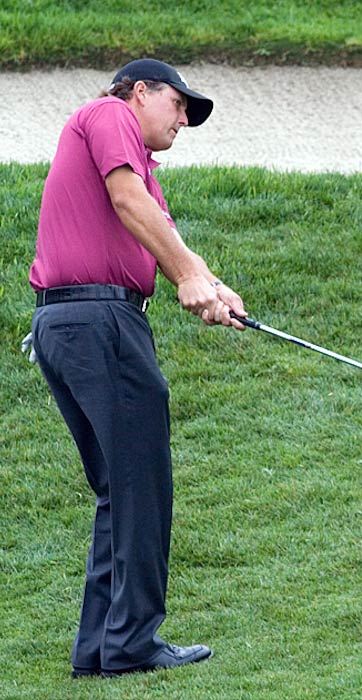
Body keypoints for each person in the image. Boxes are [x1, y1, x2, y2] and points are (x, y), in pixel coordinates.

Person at [29, 58, 247, 678]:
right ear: (141, 91)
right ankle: (131, 644)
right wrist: (186, 277)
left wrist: (210, 283)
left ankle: (100, 649)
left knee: (120, 492)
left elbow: (160, 231)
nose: (184, 119)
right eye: (179, 104)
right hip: (100, 325)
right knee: (143, 487)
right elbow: (126, 201)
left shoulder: (145, 172)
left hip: (75, 324)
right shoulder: (108, 114)